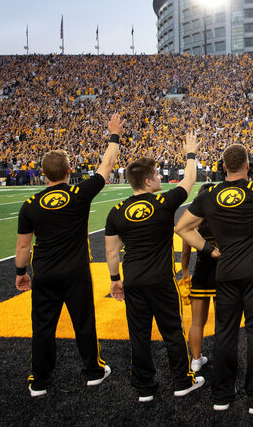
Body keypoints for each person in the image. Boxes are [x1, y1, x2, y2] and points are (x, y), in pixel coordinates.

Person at [174, 98, 253, 415]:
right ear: (247, 166)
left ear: (224, 167)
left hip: (226, 273)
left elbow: (182, 227)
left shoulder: (210, 195)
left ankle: (221, 395)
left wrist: (209, 249)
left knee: (225, 334)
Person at [14, 113, 124, 397]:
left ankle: (39, 380)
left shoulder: (30, 205)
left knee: (43, 327)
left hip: (45, 273)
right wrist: (113, 134)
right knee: (83, 322)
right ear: (68, 170)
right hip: (75, 271)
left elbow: (23, 246)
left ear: (43, 173)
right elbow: (107, 164)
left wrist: (20, 273)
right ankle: (93, 371)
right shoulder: (78, 194)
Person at [104, 131, 204, 402]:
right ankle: (182, 381)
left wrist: (115, 279)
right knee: (172, 331)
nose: (160, 178)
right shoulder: (163, 202)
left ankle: (144, 388)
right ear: (148, 181)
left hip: (133, 280)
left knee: (139, 335)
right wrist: (191, 153)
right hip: (161, 279)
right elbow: (190, 179)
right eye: (157, 176)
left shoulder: (116, 211)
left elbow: (111, 251)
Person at [180, 182, 217, 373]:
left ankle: (195, 360)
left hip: (201, 272)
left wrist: (185, 272)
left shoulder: (193, 221)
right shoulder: (223, 217)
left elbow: (185, 253)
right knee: (224, 321)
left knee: (196, 322)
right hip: (223, 274)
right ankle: (223, 356)